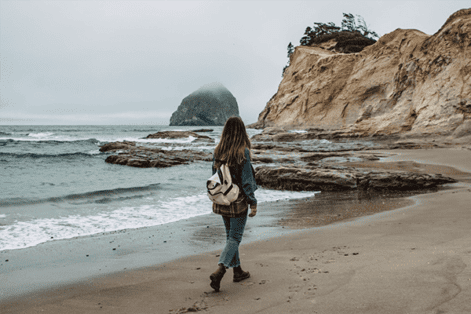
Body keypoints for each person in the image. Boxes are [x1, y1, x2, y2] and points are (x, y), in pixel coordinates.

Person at [209, 116, 258, 292]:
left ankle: (237, 271)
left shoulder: (217, 150)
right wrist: (253, 202)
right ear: (241, 131)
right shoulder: (242, 151)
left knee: (230, 236)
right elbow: (246, 181)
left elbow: (214, 178)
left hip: (222, 200)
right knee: (235, 237)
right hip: (238, 201)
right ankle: (221, 269)